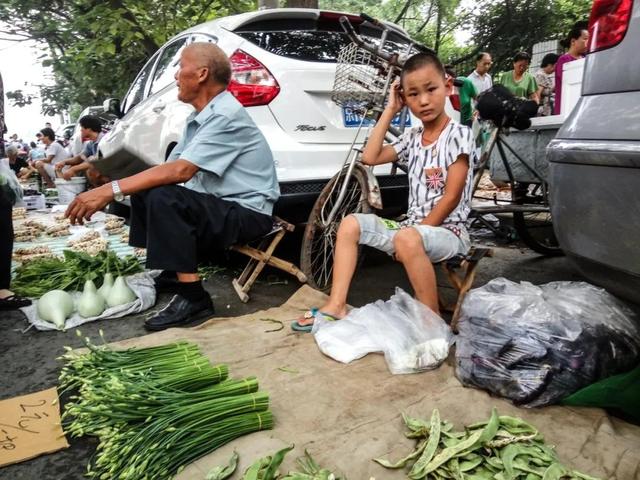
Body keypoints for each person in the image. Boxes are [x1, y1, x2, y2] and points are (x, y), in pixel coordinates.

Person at [65, 42, 280, 331]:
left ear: (202, 74)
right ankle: (170, 270)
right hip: (220, 207)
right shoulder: (198, 120)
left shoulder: (225, 116)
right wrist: (111, 178)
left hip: (247, 214)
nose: (176, 75)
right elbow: (166, 169)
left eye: (180, 66)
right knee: (147, 187)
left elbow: (181, 171)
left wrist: (110, 190)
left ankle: (194, 298)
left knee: (165, 195)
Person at [292, 52, 474, 331]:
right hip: (411, 230)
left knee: (408, 237)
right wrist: (390, 110)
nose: (423, 100)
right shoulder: (412, 138)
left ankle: (432, 323)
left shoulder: (459, 134)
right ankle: (337, 304)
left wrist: (414, 235)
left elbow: (451, 197)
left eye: (431, 89)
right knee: (351, 224)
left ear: (447, 86)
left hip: (450, 234)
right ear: (404, 97)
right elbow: (370, 156)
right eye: (413, 94)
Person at [554, 21, 589, 115]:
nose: (588, 42)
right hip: (566, 108)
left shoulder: (586, 58)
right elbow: (571, 83)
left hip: (581, 107)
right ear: (573, 41)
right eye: (585, 39)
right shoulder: (564, 60)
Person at [55, 115, 103, 180]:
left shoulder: (103, 140)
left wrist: (73, 169)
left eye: (82, 127)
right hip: (102, 169)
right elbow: (78, 159)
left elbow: (96, 161)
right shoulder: (91, 144)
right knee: (74, 166)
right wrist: (63, 162)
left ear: (88, 129)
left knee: (90, 170)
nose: (81, 130)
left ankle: (100, 188)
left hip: (109, 171)